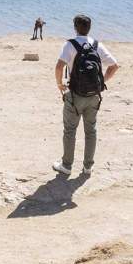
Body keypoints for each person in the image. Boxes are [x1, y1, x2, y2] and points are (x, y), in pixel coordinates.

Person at [52, 14, 119, 177]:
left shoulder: (70, 44)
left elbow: (59, 66)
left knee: (70, 130)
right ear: (89, 28)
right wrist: (101, 82)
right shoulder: (97, 44)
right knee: (91, 131)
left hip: (74, 96)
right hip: (94, 96)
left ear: (75, 27)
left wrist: (59, 84)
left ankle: (66, 166)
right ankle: (88, 167)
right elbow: (114, 66)